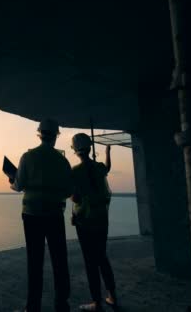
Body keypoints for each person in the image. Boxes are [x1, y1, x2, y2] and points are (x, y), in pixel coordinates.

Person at [9, 118, 73, 312]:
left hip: (32, 215)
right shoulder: (62, 161)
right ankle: (61, 305)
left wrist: (12, 181)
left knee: (34, 262)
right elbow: (69, 191)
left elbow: (18, 186)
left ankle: (33, 307)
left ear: (39, 134)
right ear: (55, 137)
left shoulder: (27, 157)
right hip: (54, 215)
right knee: (59, 260)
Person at [70, 133, 117, 311]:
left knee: (90, 261)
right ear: (90, 148)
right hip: (102, 219)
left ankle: (97, 302)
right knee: (102, 257)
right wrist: (107, 152)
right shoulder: (98, 168)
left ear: (75, 151)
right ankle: (112, 296)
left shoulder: (74, 172)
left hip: (84, 221)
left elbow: (75, 198)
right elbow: (107, 167)